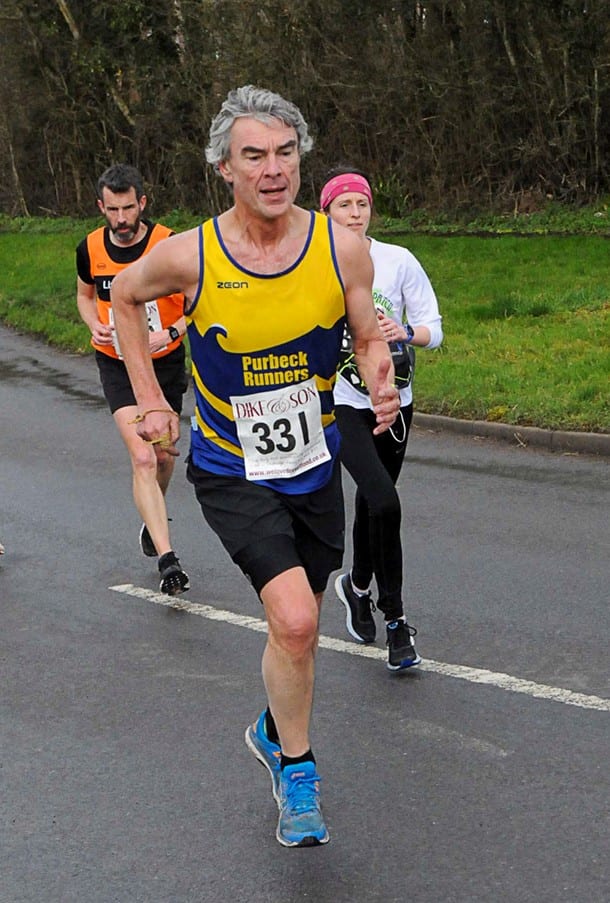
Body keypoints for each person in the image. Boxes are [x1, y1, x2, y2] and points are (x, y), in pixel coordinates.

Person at [109, 86, 400, 848]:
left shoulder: (341, 247)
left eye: (285, 154)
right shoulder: (190, 255)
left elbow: (367, 335)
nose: (273, 171)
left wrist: (379, 376)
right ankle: (298, 771)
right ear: (223, 169)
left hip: (313, 462)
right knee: (298, 619)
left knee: (297, 628)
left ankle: (274, 728)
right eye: (254, 156)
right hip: (233, 469)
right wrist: (149, 396)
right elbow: (122, 299)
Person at [320, 167, 443, 671]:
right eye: (343, 206)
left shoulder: (397, 261)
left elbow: (434, 331)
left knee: (375, 503)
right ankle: (396, 622)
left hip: (395, 399)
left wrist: (403, 330)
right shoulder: (316, 266)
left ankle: (356, 584)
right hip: (342, 403)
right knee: (384, 501)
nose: (354, 214)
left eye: (361, 205)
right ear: (325, 212)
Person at [76, 164, 189, 596]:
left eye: (128, 208)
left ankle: (152, 514)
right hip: (117, 362)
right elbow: (86, 294)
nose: (121, 219)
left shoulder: (171, 245)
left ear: (142, 203)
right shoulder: (89, 248)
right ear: (101, 207)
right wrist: (93, 325)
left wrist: (171, 332)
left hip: (164, 362)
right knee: (143, 458)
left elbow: (199, 306)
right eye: (112, 210)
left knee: (163, 459)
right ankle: (168, 559)